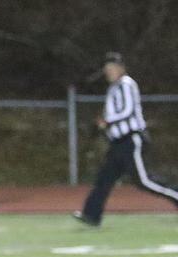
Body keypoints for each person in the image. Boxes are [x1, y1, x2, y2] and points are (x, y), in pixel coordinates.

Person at [75, 52, 178, 226]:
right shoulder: (114, 88)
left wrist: (107, 121)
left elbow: (127, 110)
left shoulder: (127, 84)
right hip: (117, 143)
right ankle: (91, 215)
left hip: (131, 140)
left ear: (121, 68)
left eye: (113, 68)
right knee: (104, 179)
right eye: (107, 69)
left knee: (143, 180)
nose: (109, 72)